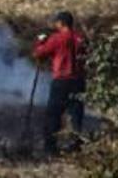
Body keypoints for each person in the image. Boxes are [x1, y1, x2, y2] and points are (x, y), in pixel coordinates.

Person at [33, 10, 86, 155]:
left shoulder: (57, 39)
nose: (55, 25)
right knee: (76, 115)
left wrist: (40, 41)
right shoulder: (80, 38)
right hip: (79, 81)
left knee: (53, 115)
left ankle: (50, 149)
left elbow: (39, 54)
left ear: (61, 23)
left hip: (62, 81)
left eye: (56, 22)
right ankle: (77, 148)